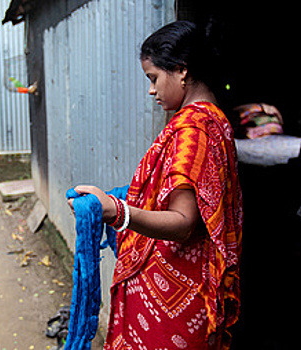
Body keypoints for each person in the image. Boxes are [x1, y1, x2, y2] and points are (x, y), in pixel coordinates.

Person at [68, 21, 243, 349]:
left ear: (181, 71)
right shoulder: (216, 120)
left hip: (173, 296)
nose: (151, 90)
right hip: (184, 288)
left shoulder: (194, 130)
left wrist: (116, 211)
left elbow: (183, 222)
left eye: (153, 78)